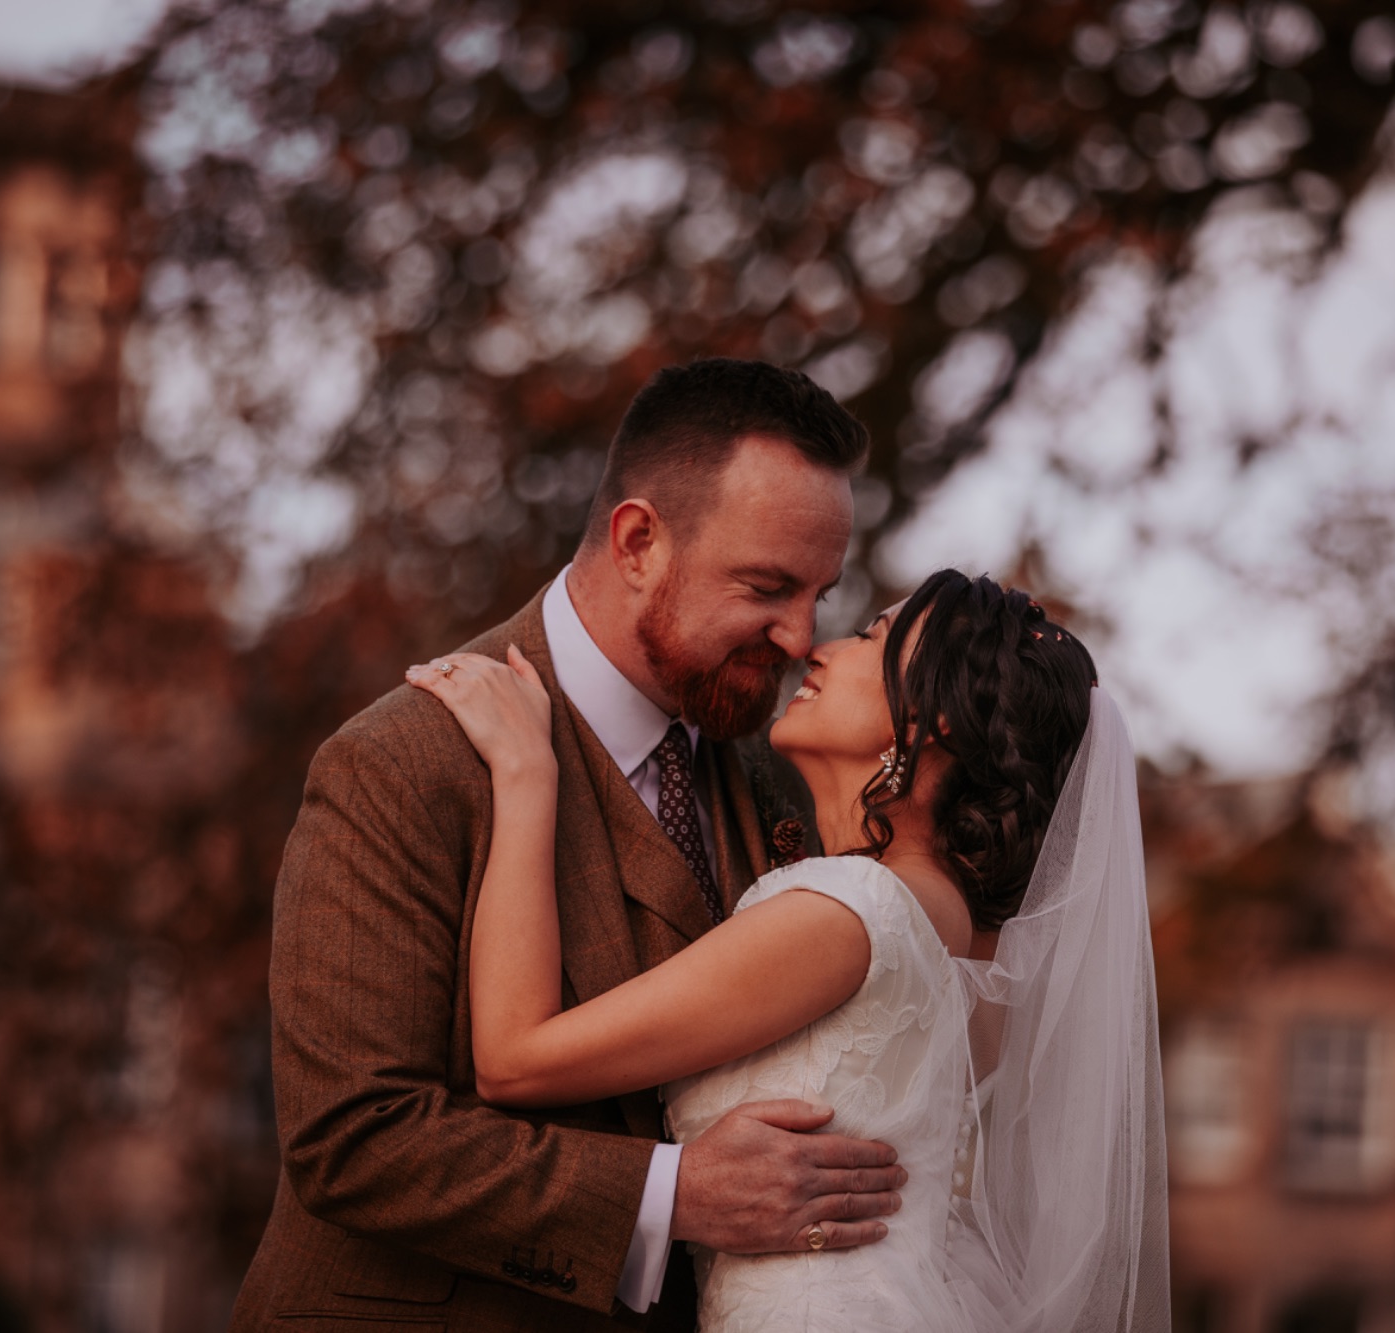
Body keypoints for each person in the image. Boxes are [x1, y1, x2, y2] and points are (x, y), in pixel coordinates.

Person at [230, 359, 911, 1332]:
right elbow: (355, 1137)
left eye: (819, 592)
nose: (802, 634)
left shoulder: (768, 786)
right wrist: (672, 1195)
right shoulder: (401, 762)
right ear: (637, 541)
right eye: (766, 585)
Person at [408, 569, 1171, 1331]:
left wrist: (526, 773)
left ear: (933, 721)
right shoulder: (960, 936)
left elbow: (515, 1058)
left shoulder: (851, 912)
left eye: (871, 636)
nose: (819, 649)